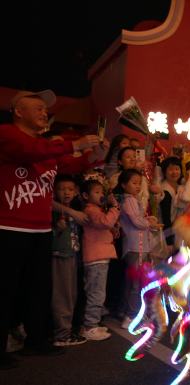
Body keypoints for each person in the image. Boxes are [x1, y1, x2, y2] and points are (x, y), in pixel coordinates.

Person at [0, 90, 103, 369]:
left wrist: (94, 151)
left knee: (38, 289)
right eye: (37, 108)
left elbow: (71, 164)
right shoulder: (8, 134)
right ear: (18, 111)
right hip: (9, 227)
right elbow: (32, 151)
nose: (44, 112)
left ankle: (36, 340)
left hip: (40, 230)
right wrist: (76, 143)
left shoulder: (45, 148)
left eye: (45, 109)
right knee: (6, 288)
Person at [116, 169, 159, 329]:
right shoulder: (129, 200)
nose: (138, 186)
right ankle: (131, 316)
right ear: (123, 184)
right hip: (137, 247)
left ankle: (125, 311)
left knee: (132, 282)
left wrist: (147, 219)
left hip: (137, 246)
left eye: (139, 183)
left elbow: (137, 219)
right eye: (134, 183)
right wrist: (149, 223)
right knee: (136, 283)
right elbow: (136, 221)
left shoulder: (129, 200)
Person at [80, 180, 120, 341]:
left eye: (101, 192)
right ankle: (90, 326)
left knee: (97, 292)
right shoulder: (90, 210)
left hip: (100, 257)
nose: (101, 195)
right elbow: (106, 222)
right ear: (85, 195)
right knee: (96, 293)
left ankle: (93, 323)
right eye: (96, 192)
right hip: (95, 258)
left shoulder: (96, 210)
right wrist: (114, 207)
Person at [50, 175, 87, 347]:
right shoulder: (54, 211)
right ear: (54, 191)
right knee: (62, 295)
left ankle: (66, 330)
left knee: (71, 294)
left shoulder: (75, 209)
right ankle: (61, 334)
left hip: (72, 256)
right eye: (62, 189)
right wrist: (57, 229)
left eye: (70, 189)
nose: (66, 192)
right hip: (60, 256)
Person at [159, 156, 182, 244]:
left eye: (177, 169)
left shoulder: (181, 187)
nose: (174, 172)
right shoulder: (163, 189)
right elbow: (165, 217)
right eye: (171, 169)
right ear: (164, 172)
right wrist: (169, 238)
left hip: (178, 229)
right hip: (166, 230)